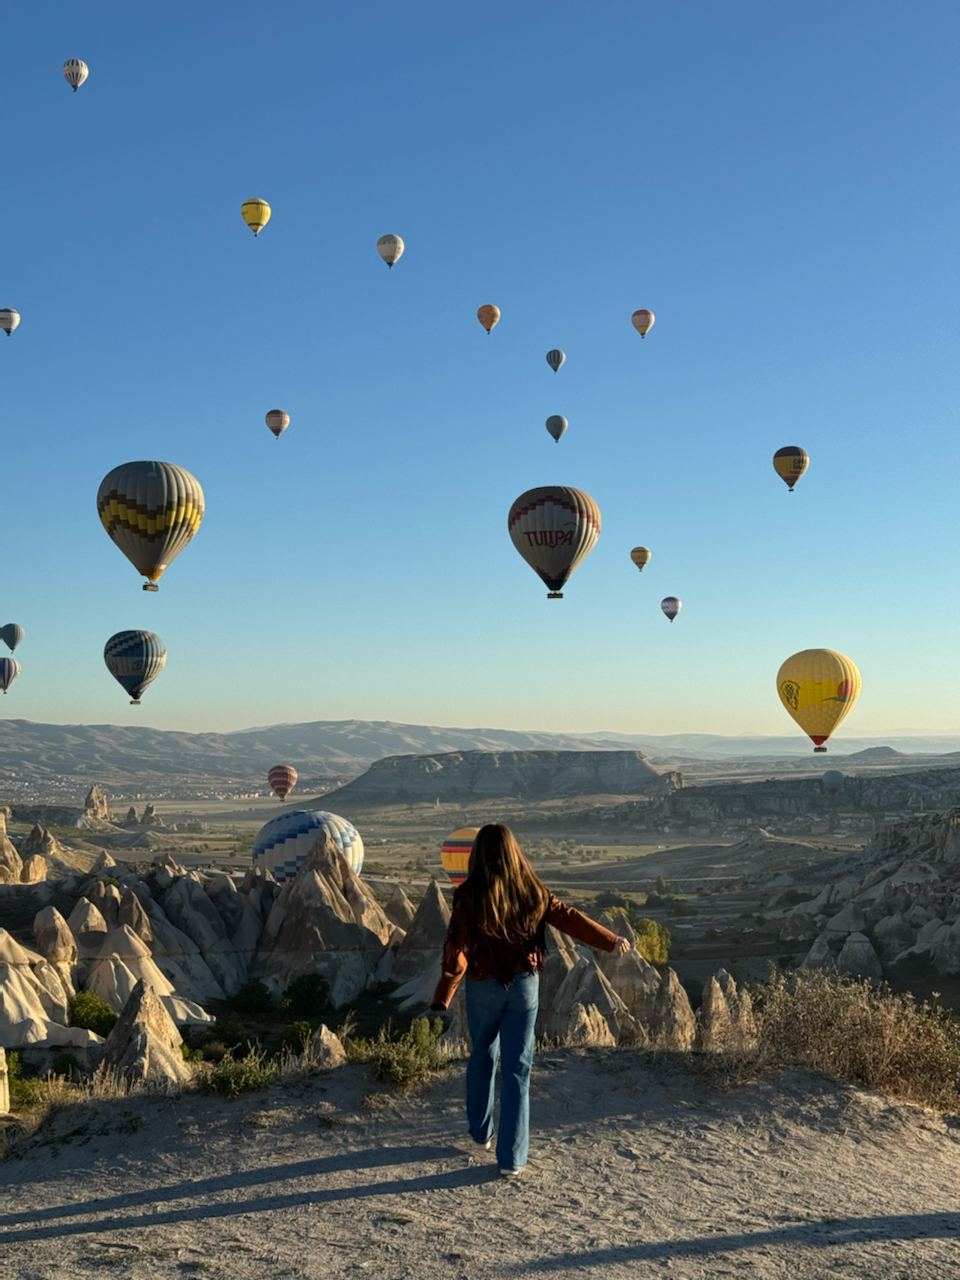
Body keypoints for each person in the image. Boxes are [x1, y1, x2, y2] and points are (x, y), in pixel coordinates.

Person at [431, 823, 631, 1177]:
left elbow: (456, 950)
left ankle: (481, 1133)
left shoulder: (467, 894)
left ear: (476, 855)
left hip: (482, 986)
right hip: (524, 987)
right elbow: (569, 918)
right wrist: (610, 940)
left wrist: (443, 994)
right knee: (517, 1069)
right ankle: (512, 1159)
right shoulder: (534, 892)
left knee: (481, 1056)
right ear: (514, 852)